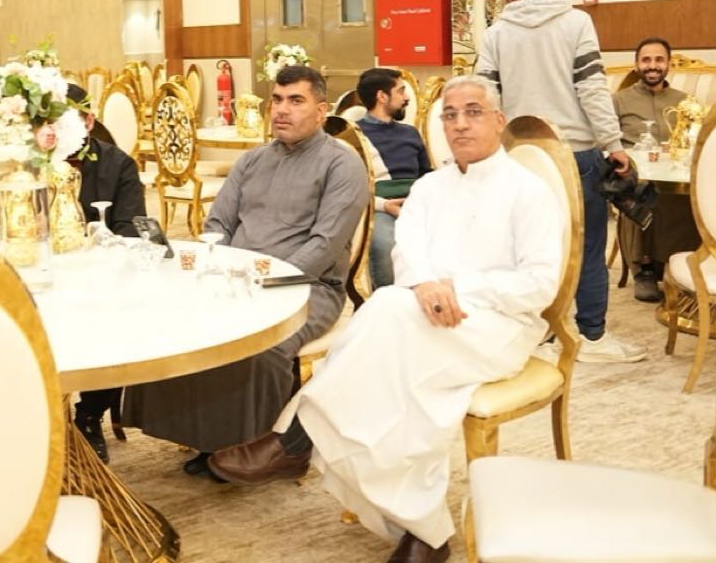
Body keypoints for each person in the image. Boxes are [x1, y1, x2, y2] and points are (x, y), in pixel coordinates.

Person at [208, 76, 564, 563]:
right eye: (450, 115)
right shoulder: (430, 187)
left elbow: (540, 285)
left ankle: (300, 438)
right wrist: (424, 285)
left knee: (387, 314)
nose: (460, 124)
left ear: (498, 120)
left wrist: (454, 288)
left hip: (499, 326)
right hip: (424, 317)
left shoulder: (528, 190)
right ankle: (422, 529)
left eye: (473, 112)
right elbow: (406, 251)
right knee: (401, 370)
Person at [123, 65, 367, 476]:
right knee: (177, 317)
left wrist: (266, 282)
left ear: (321, 110)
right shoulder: (252, 161)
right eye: (277, 100)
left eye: (296, 101)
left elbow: (324, 246)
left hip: (306, 287)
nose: (282, 110)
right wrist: (218, 272)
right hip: (235, 278)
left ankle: (259, 447)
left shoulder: (341, 165)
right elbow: (218, 224)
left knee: (258, 342)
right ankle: (206, 438)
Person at [476, 0, 643, 363]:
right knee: (588, 248)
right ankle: (592, 337)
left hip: (521, 156)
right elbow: (592, 89)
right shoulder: (576, 22)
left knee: (525, 249)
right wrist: (613, 144)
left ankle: (538, 334)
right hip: (576, 152)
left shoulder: (495, 34)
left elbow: (486, 98)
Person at [61, 83, 147, 463]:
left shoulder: (118, 165)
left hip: (101, 275)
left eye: (67, 122)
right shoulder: (28, 164)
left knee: (124, 320)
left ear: (88, 121)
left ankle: (90, 414)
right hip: (45, 270)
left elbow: (131, 228)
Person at [612, 37, 699, 302]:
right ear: (637, 64)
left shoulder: (684, 101)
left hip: (675, 172)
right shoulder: (619, 100)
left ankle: (681, 265)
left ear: (668, 64)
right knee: (643, 193)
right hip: (632, 174)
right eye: (646, 60)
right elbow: (606, 141)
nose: (653, 65)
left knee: (692, 197)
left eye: (659, 60)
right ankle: (645, 269)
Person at [355, 68, 432, 289]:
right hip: (378, 207)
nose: (407, 97)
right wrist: (384, 205)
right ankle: (390, 302)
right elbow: (348, 188)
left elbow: (426, 175)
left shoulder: (410, 133)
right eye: (400, 91)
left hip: (417, 203)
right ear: (382, 96)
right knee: (384, 245)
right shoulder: (355, 135)